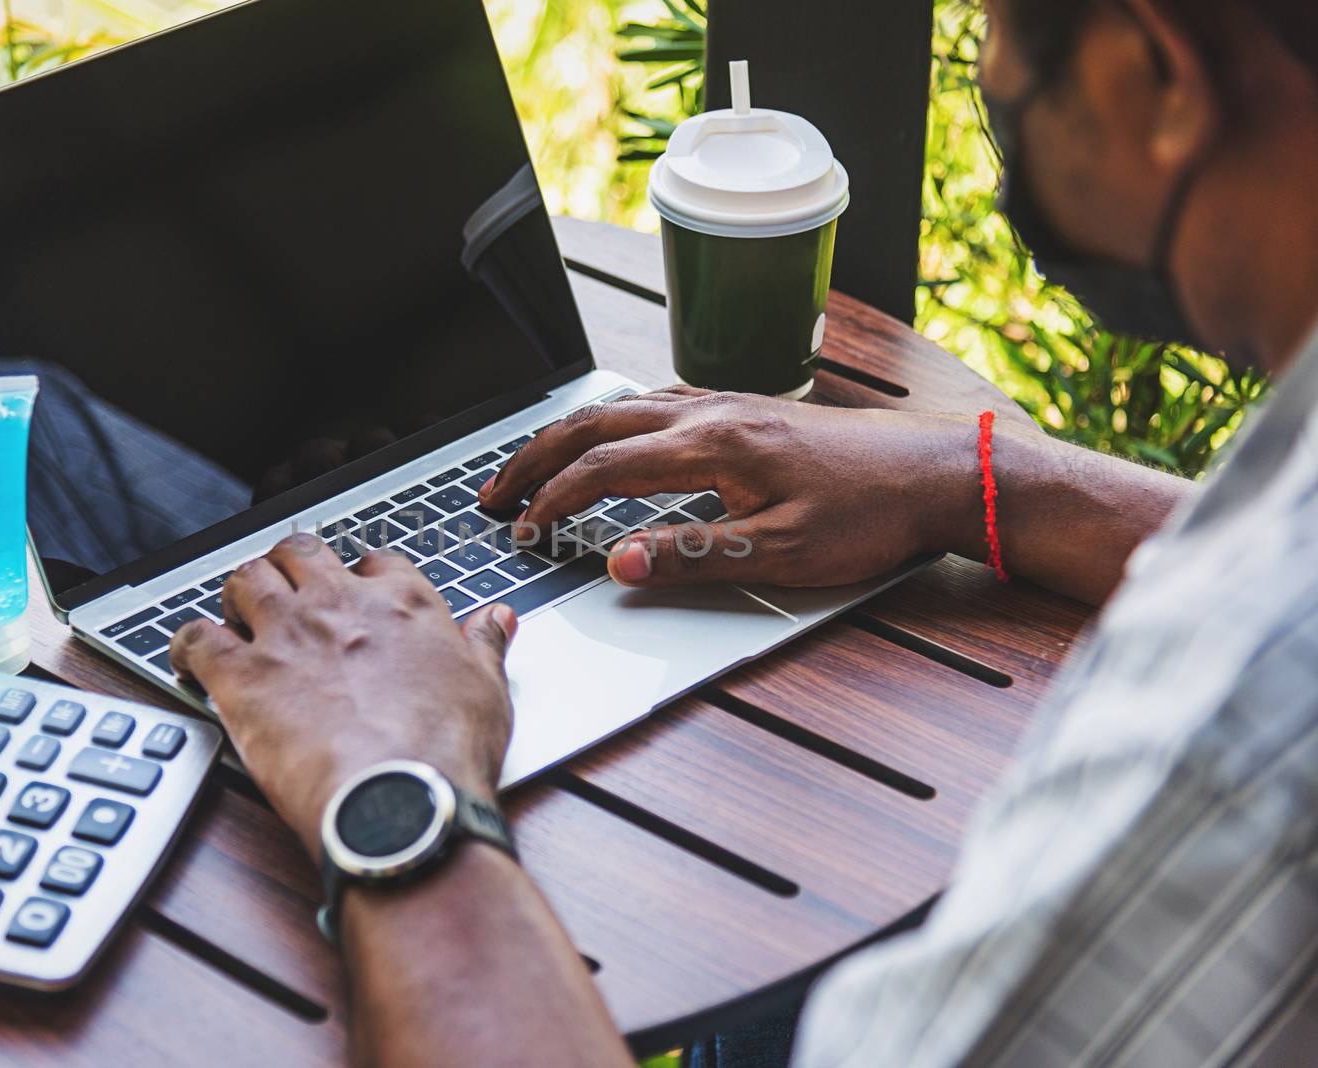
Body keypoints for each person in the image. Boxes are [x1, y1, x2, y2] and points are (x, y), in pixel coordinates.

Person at [167, 0, 1318, 1063]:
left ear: (1152, 70)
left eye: (991, 23)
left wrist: (393, 784)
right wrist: (973, 476)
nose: (988, 69)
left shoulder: (1250, 720)